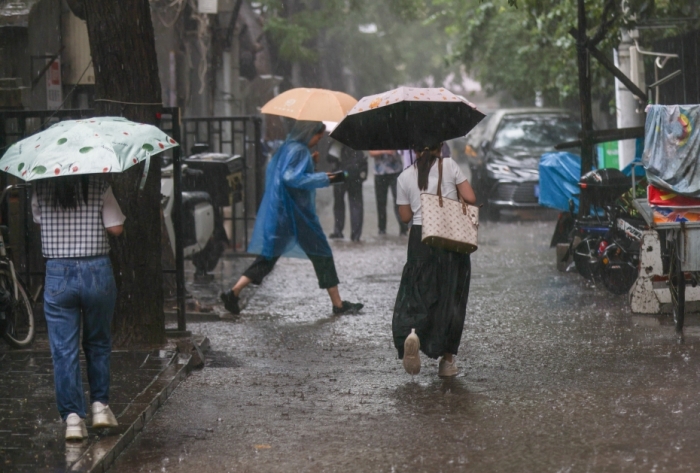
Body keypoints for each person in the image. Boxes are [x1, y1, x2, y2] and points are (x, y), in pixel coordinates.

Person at [220, 120, 363, 315]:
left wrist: (311, 163)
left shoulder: (287, 147)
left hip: (282, 212)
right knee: (322, 254)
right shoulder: (300, 151)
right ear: (309, 132)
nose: (317, 140)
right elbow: (291, 178)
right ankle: (338, 304)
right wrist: (325, 177)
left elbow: (285, 173)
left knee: (268, 257)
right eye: (317, 136)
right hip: (298, 214)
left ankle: (234, 292)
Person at [32, 175, 125, 440]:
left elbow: (40, 222)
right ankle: (100, 407)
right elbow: (116, 228)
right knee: (97, 342)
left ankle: (73, 419)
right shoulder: (99, 186)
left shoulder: (41, 189)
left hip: (58, 270)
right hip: (97, 269)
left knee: (63, 349)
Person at [392, 143, 477, 377]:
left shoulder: (404, 175)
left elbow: (406, 216)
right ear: (441, 146)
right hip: (449, 237)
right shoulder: (449, 165)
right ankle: (447, 362)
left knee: (418, 290)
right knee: (451, 295)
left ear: (414, 149)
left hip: (421, 239)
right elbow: (471, 197)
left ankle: (413, 332)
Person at [327, 140, 367, 242]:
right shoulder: (359, 138)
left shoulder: (337, 140)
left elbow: (330, 157)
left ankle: (338, 231)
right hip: (356, 174)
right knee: (356, 204)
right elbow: (364, 158)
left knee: (338, 204)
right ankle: (356, 235)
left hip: (339, 174)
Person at [369, 150, 408, 236]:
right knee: (381, 202)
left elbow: (403, 151)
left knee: (399, 200)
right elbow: (371, 153)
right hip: (379, 172)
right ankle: (382, 228)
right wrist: (384, 151)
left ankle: (403, 227)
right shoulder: (375, 137)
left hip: (395, 171)